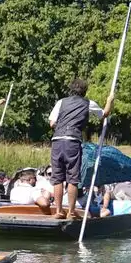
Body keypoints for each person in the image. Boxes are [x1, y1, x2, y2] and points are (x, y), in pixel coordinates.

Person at [46, 79, 103, 219]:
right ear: (85, 91)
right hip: (72, 141)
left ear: (71, 89)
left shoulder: (61, 102)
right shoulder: (88, 103)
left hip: (57, 141)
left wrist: (64, 125)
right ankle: (71, 212)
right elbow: (104, 114)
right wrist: (110, 100)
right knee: (73, 178)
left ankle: (59, 211)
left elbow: (52, 123)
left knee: (57, 177)